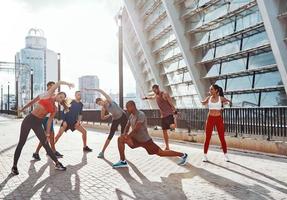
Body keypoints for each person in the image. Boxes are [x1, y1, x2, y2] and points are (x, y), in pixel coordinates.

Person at [12, 81, 74, 175]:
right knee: (21, 143)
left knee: (46, 144)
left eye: (62, 99)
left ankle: (57, 163)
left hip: (38, 123)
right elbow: (58, 83)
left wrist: (48, 133)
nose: (60, 99)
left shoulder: (55, 108)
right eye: (60, 96)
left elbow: (49, 121)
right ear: (57, 94)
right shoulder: (48, 94)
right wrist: (67, 84)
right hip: (29, 120)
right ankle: (14, 166)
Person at [112, 100, 188, 168]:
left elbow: (136, 129)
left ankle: (183, 155)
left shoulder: (141, 114)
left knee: (161, 153)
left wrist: (127, 136)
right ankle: (123, 161)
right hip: (135, 140)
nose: (126, 109)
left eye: (127, 107)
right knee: (120, 139)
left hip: (145, 141)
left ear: (132, 106)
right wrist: (124, 134)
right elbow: (127, 126)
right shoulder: (131, 116)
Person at [85, 88, 128, 158]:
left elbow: (101, 90)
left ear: (102, 100)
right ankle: (102, 152)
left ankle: (123, 153)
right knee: (110, 135)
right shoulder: (103, 108)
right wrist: (109, 115)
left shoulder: (109, 101)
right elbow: (102, 118)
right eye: (99, 104)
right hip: (115, 119)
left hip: (123, 117)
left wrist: (89, 89)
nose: (100, 104)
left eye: (100, 102)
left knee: (123, 135)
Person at [32, 81, 63, 160]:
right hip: (44, 118)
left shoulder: (54, 95)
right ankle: (48, 152)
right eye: (52, 86)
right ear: (48, 86)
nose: (54, 88)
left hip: (49, 118)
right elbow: (38, 103)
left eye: (55, 86)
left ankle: (50, 151)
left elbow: (60, 101)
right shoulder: (44, 94)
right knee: (48, 136)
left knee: (50, 135)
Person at [201, 84, 232, 162]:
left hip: (218, 119)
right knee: (207, 137)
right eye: (210, 89)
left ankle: (226, 155)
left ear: (216, 90)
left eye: (211, 89)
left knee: (222, 137)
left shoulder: (221, 98)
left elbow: (228, 102)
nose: (210, 91)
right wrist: (202, 101)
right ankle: (204, 156)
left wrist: (228, 103)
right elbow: (203, 103)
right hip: (210, 118)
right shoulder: (208, 98)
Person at [142, 84, 177, 150]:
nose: (155, 92)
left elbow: (171, 103)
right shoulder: (156, 95)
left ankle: (175, 121)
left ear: (158, 88)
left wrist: (175, 111)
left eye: (155, 90)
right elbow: (151, 97)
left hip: (169, 114)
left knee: (173, 127)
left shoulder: (164, 94)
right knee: (164, 131)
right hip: (163, 116)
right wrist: (145, 98)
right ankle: (167, 146)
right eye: (153, 91)